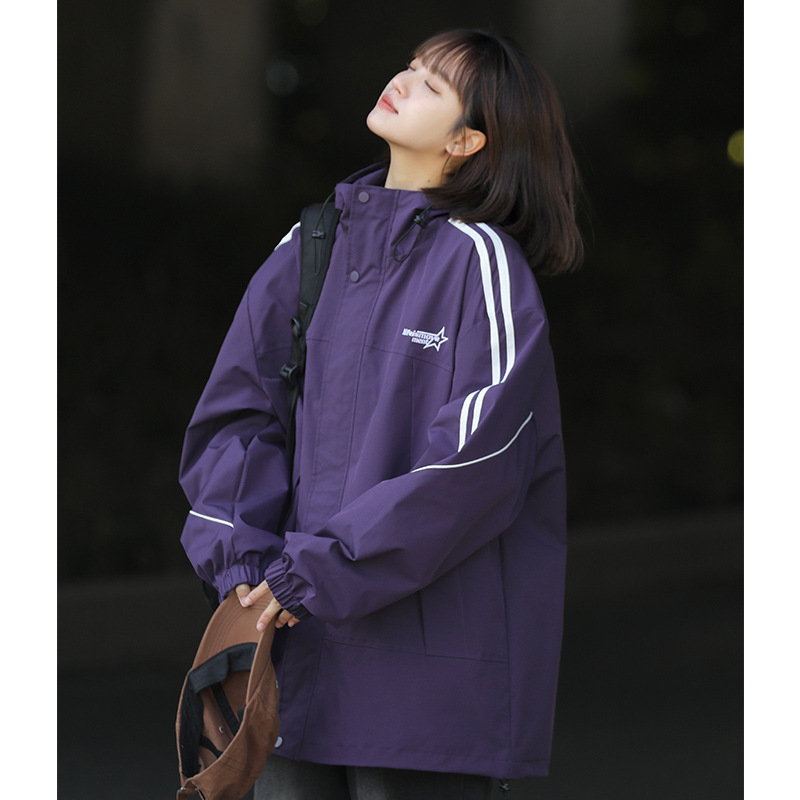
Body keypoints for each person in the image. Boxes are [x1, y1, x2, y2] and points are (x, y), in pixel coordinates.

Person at [179, 28, 583, 800]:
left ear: (467, 140)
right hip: (292, 656)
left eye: (433, 85)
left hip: (425, 688)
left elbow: (477, 464)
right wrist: (244, 568)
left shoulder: (481, 263)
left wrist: (313, 573)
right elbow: (236, 412)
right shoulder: (313, 242)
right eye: (412, 66)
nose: (403, 80)